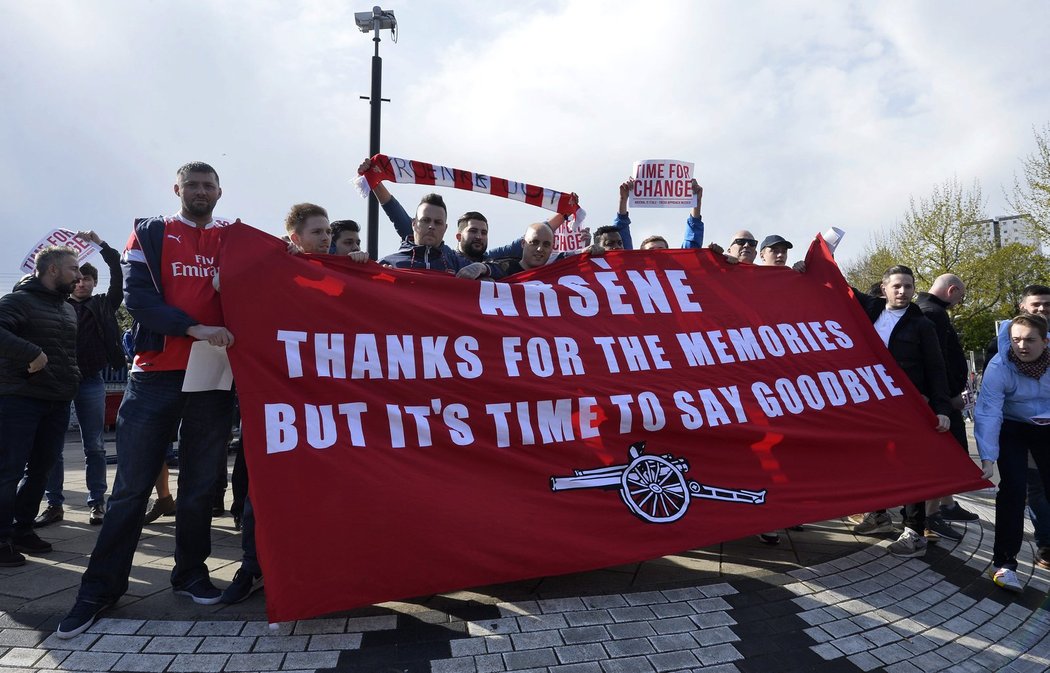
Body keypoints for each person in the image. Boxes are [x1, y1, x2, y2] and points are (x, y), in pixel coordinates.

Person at [58, 162, 238, 638]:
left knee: (201, 487)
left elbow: (289, 264)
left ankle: (190, 574)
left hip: (214, 376)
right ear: (177, 189)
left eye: (208, 185)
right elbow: (137, 300)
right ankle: (99, 589)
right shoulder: (152, 232)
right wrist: (193, 327)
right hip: (155, 375)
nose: (201, 192)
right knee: (131, 490)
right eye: (192, 185)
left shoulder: (235, 237)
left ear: (220, 191)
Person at [851, 265, 952, 558]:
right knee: (875, 462)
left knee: (908, 466)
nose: (903, 292)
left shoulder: (922, 325)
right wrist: (811, 264)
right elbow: (836, 285)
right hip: (872, 404)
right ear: (884, 288)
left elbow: (936, 369)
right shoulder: (871, 308)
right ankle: (879, 515)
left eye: (908, 287)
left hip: (908, 408)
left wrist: (941, 407)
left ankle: (914, 531)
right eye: (897, 286)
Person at [34, 233, 125, 528]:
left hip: (91, 380)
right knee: (53, 447)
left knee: (95, 446)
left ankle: (97, 502)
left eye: (88, 279)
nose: (82, 282)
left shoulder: (103, 305)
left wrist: (101, 245)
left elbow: (117, 274)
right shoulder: (56, 305)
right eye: (78, 277)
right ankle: (54, 503)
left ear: (94, 283)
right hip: (57, 382)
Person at [0, 246, 82, 566]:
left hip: (57, 400)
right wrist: (31, 352)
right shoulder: (17, 301)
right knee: (8, 471)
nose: (79, 275)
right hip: (18, 399)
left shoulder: (67, 309)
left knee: (41, 470)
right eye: (73, 269)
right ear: (52, 271)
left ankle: (22, 529)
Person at [975, 313, 1050, 592]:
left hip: (1047, 427)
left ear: (1045, 341)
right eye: (1016, 339)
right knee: (1014, 490)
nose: (1022, 346)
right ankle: (1004, 563)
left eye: (1030, 340)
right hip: (1013, 427)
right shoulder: (1000, 364)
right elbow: (988, 411)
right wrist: (987, 457)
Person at [915, 274, 978, 541]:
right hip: (942, 403)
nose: (959, 302)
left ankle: (946, 506)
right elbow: (936, 363)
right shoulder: (934, 314)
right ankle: (932, 517)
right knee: (942, 460)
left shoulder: (925, 310)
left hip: (941, 400)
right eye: (960, 297)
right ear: (952, 290)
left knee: (945, 458)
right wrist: (946, 399)